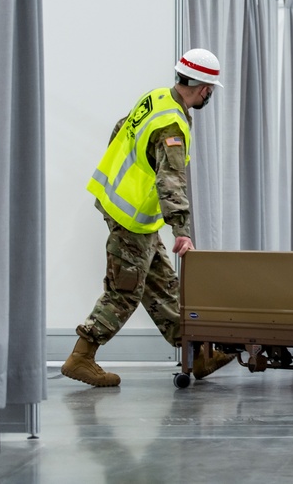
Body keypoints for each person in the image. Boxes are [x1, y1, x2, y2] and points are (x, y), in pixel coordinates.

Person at [61, 48, 235, 387]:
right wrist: (181, 231)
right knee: (125, 290)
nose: (209, 94)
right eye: (210, 89)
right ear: (203, 88)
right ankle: (81, 357)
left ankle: (197, 355)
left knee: (162, 285)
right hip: (131, 217)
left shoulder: (155, 98)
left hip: (127, 211)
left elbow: (119, 129)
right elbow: (170, 181)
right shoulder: (172, 124)